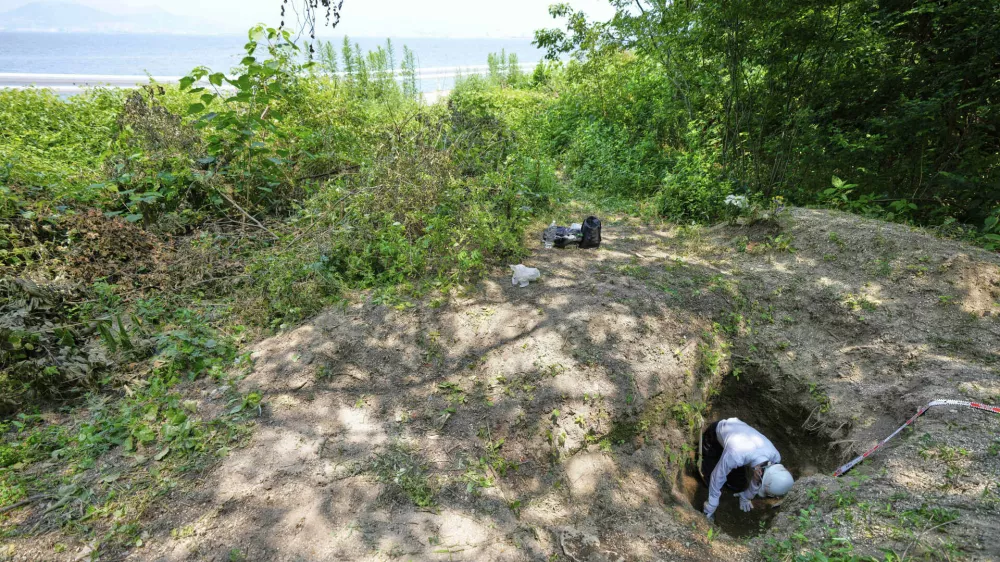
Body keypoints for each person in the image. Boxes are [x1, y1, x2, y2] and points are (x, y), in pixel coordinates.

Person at [699, 417, 794, 522]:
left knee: (737, 485)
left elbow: (761, 478)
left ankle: (726, 463)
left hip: (739, 446)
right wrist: (712, 504)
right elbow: (717, 477)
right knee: (708, 478)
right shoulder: (736, 455)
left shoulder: (775, 458)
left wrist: (746, 496)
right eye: (759, 482)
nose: (758, 484)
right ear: (759, 472)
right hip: (717, 434)